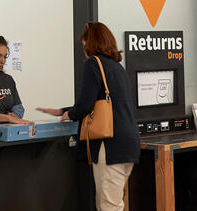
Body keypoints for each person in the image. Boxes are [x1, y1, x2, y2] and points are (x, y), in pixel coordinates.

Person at [37, 22, 141, 211]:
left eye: (84, 43)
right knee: (116, 203)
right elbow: (100, 101)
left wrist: (70, 114)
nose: (83, 49)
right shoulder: (117, 68)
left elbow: (85, 104)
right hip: (129, 144)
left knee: (108, 206)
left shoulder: (94, 64)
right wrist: (62, 110)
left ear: (90, 43)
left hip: (111, 145)